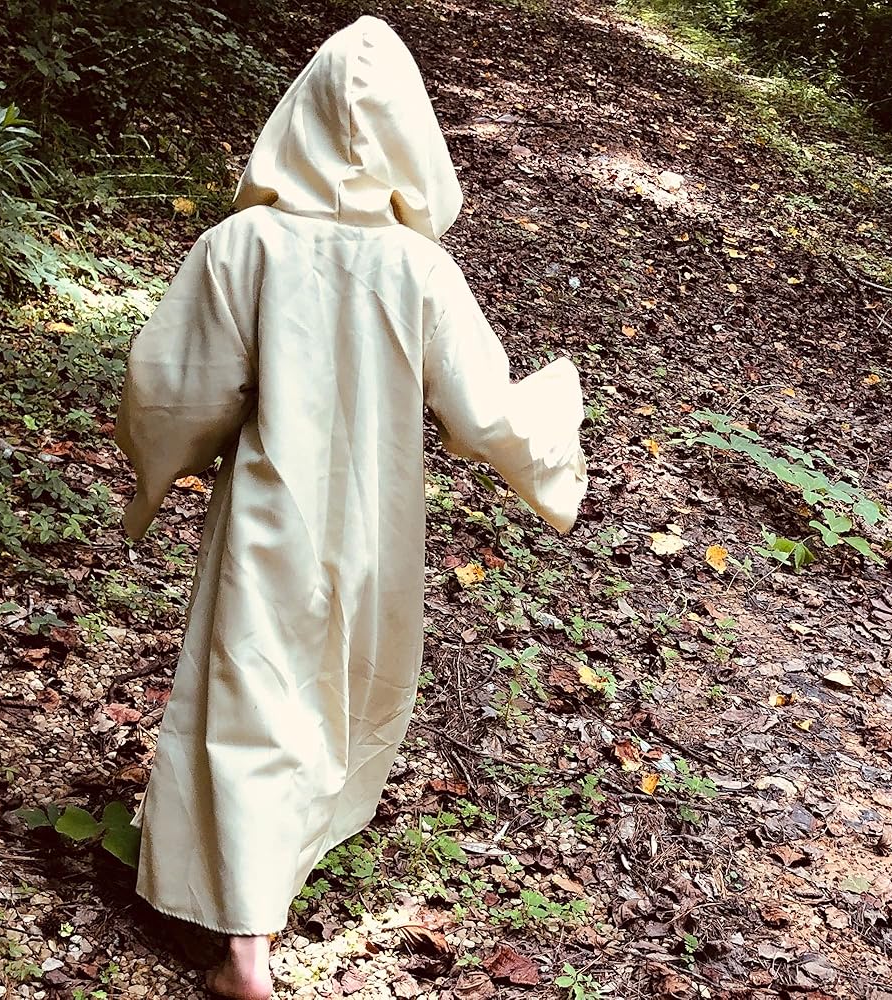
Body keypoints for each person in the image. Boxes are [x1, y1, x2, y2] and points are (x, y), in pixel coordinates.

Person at [114, 15, 587, 999]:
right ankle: (260, 913)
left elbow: (175, 389)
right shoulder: (419, 269)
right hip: (377, 522)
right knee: (332, 688)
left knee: (252, 691)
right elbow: (485, 413)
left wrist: (159, 470)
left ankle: (247, 943)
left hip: (267, 511)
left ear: (300, 116)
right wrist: (555, 430)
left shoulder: (241, 247)